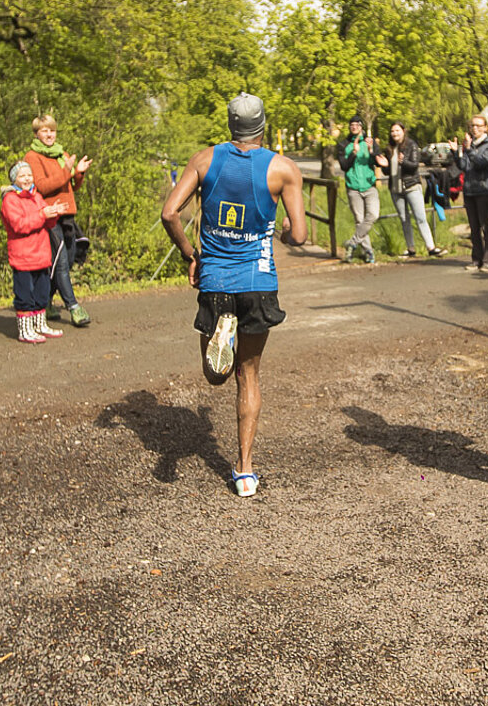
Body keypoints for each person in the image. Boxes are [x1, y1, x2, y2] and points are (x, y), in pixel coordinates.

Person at [160, 93, 308, 497]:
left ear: (230, 125)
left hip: (216, 280)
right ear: (263, 124)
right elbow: (299, 235)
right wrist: (276, 232)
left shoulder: (205, 160)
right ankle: (244, 471)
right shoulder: (283, 168)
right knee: (250, 375)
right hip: (258, 282)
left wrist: (192, 256)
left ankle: (220, 348)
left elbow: (170, 213)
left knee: (215, 376)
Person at [24, 114, 94, 326]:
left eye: (52, 130)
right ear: (37, 134)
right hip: (50, 216)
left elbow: (71, 186)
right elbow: (42, 186)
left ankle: (44, 302)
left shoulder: (61, 154)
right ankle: (74, 307)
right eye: (45, 131)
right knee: (61, 262)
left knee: (68, 259)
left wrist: (78, 173)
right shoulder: (32, 157)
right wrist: (67, 172)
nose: (49, 134)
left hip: (68, 214)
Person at [0, 161, 65, 343]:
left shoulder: (37, 196)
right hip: (23, 256)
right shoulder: (10, 200)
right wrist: (43, 214)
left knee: (42, 293)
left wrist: (54, 213)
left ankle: (40, 325)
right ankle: (25, 330)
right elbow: (19, 225)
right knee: (24, 295)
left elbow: (47, 222)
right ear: (14, 179)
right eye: (22, 175)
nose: (27, 178)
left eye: (29, 175)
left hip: (41, 254)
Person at [380, 120, 442, 258]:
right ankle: (411, 248)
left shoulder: (411, 145)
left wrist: (404, 161)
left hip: (411, 186)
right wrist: (384, 166)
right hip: (396, 189)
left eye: (397, 130)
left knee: (420, 217)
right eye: (392, 131)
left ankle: (431, 247)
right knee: (404, 218)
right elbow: (387, 172)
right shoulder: (389, 148)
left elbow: (414, 166)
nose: (394, 133)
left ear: (403, 131)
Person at [336, 114, 380, 263]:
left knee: (373, 215)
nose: (354, 127)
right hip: (353, 188)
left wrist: (372, 150)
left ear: (362, 127)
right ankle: (368, 252)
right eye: (352, 125)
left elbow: (378, 161)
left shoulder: (370, 142)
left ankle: (352, 242)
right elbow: (344, 166)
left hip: (369, 186)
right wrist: (354, 153)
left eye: (357, 124)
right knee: (359, 220)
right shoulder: (343, 144)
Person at [458, 114, 488, 271]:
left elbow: (481, 163)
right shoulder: (470, 145)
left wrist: (468, 150)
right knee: (473, 226)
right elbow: (463, 166)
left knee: (485, 225)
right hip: (469, 190)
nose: (474, 128)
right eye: (472, 126)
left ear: (484, 127)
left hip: (484, 189)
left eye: (478, 125)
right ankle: (477, 259)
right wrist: (457, 153)